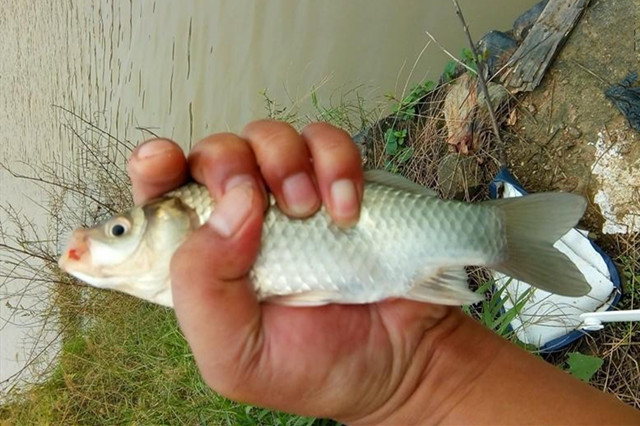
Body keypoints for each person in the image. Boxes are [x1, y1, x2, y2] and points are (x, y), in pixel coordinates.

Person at [127, 120, 640, 425]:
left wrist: (425, 372)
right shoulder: (207, 280)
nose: (104, 245)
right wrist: (414, 384)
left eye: (120, 231)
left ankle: (487, 234)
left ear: (178, 222)